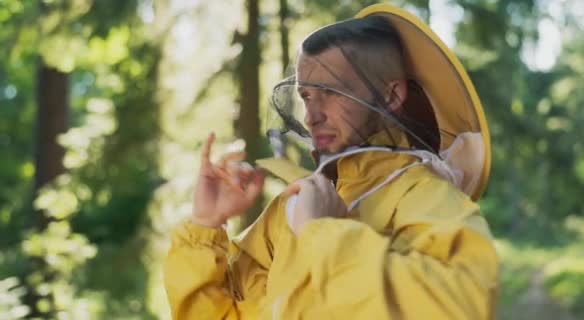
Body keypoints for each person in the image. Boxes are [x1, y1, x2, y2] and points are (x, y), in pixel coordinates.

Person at [164, 3, 498, 319]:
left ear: (392, 95)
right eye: (306, 96)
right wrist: (206, 225)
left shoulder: (430, 200)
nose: (311, 116)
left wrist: (322, 232)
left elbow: (456, 307)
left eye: (332, 92)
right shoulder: (291, 206)